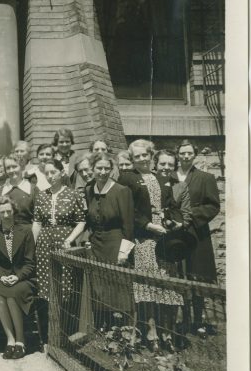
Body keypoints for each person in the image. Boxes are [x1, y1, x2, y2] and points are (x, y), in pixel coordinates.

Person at [123, 139, 183, 352]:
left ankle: (168, 332)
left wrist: (176, 222)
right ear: (132, 159)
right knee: (148, 287)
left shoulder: (161, 178)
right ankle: (151, 332)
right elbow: (130, 211)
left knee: (167, 286)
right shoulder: (128, 178)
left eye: (144, 155)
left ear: (151, 155)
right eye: (136, 156)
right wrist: (149, 226)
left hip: (165, 238)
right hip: (145, 239)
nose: (141, 159)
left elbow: (172, 205)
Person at [174, 139, 220, 330]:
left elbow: (213, 206)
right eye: (182, 153)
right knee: (179, 273)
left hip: (196, 233)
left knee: (197, 274)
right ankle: (183, 319)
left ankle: (198, 319)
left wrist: (190, 215)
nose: (185, 156)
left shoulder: (205, 178)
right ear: (178, 154)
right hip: (174, 232)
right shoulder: (169, 176)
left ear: (195, 155)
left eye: (189, 153)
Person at [84, 153, 135, 325]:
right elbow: (87, 219)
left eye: (107, 168)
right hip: (97, 245)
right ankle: (103, 328)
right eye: (99, 168)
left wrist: (124, 251)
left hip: (116, 243)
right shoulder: (89, 189)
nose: (103, 172)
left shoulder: (121, 191)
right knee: (99, 286)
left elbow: (128, 225)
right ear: (92, 169)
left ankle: (123, 329)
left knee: (118, 287)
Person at [0, 196, 38, 360]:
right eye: (2, 212)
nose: (6, 215)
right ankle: (10, 340)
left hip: (24, 279)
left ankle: (20, 340)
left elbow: (30, 262)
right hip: (3, 278)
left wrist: (17, 277)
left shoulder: (25, 231)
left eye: (9, 211)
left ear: (14, 212)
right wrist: (2, 277)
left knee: (11, 296)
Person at [32, 158, 86, 301]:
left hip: (65, 241)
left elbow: (81, 222)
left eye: (53, 172)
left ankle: (65, 318)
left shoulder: (73, 194)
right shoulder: (41, 196)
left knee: (66, 279)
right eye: (47, 173)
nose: (50, 176)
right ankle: (51, 319)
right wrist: (33, 244)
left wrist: (70, 239)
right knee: (46, 280)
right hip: (44, 243)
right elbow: (37, 223)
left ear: (62, 173)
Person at [154, 150, 192, 229]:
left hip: (172, 230)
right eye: (162, 164)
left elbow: (186, 212)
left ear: (175, 167)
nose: (167, 167)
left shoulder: (181, 186)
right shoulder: (146, 182)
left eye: (170, 164)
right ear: (156, 164)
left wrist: (181, 225)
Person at [0, 154, 38, 229]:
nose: (11, 170)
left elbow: (38, 219)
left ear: (22, 167)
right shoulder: (2, 191)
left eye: (14, 166)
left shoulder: (32, 189)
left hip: (28, 233)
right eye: (8, 168)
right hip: (6, 232)